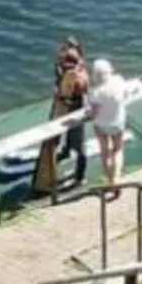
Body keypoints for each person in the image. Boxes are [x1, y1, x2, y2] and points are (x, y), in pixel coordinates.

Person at [87, 59, 131, 186]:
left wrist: (88, 113)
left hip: (101, 125)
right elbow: (127, 93)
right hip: (118, 123)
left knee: (105, 153)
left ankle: (109, 180)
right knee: (118, 150)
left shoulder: (95, 91)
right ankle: (116, 178)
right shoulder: (118, 81)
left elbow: (93, 113)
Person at [52, 41, 90, 188]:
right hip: (67, 105)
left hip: (76, 108)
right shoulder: (67, 68)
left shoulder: (79, 77)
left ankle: (80, 177)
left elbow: (75, 91)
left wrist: (61, 94)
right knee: (65, 133)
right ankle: (66, 150)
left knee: (80, 145)